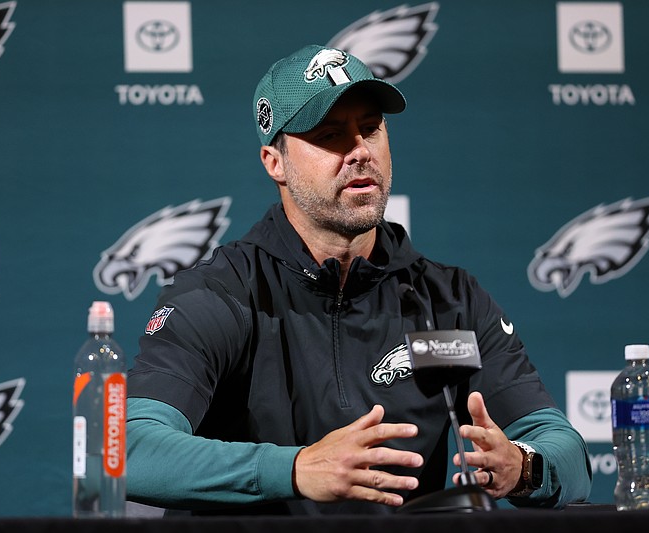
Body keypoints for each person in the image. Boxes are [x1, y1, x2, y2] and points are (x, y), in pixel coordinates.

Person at [125, 44, 592, 515]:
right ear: (274, 162)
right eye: (330, 135)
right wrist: (295, 470)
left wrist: (523, 465)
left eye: (370, 129)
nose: (359, 152)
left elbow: (567, 454)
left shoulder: (451, 300)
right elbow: (128, 451)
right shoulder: (220, 294)